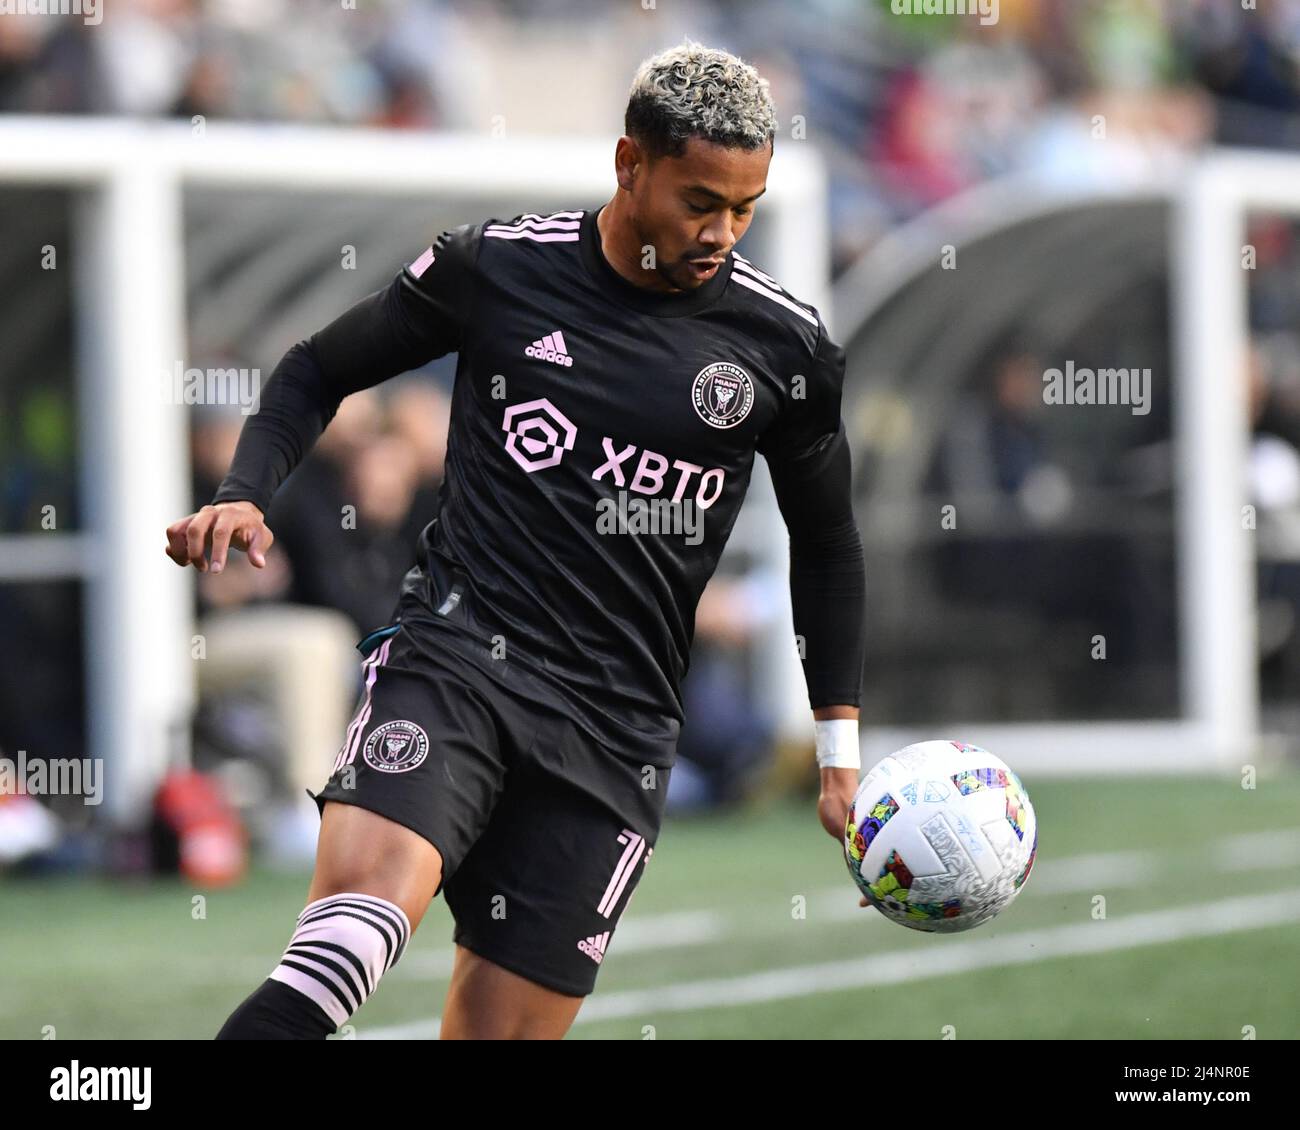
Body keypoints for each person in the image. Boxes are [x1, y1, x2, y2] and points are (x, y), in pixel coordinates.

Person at [165, 39, 867, 1040]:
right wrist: (244, 489)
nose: (721, 231)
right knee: (351, 935)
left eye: (743, 208)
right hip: (457, 661)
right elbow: (315, 368)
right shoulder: (498, 267)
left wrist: (837, 745)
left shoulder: (784, 346)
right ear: (630, 165)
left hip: (615, 729)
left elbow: (827, 541)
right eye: (699, 200)